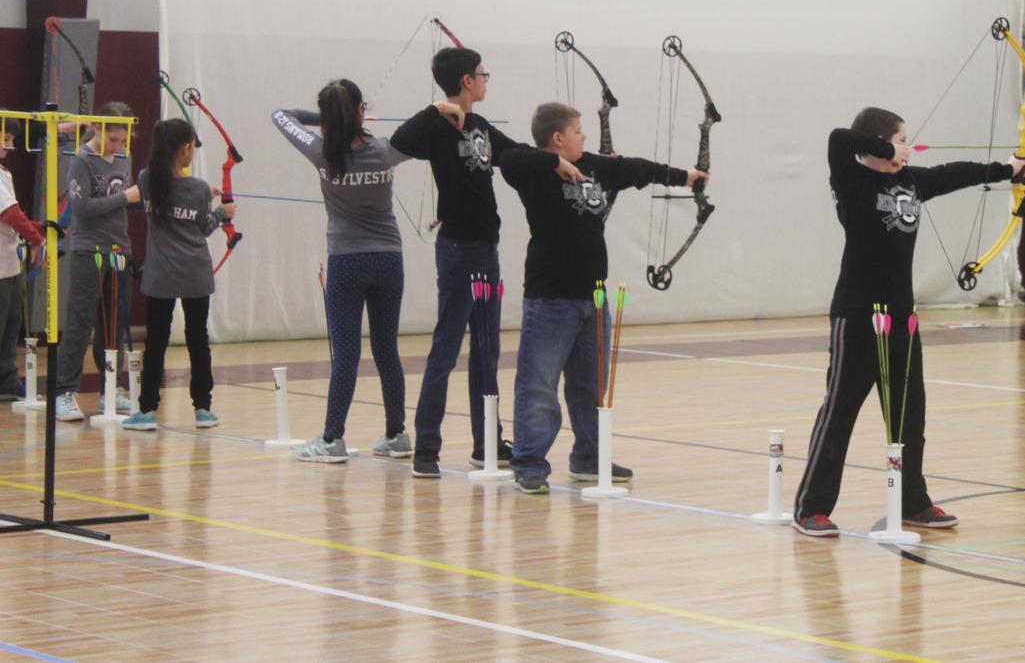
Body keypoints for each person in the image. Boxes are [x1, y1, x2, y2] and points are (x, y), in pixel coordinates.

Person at [791, 107, 1025, 537]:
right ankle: (812, 507)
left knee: (908, 417)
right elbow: (838, 139)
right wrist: (887, 148)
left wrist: (1005, 170)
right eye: (902, 139)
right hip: (858, 314)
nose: (908, 145)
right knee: (840, 411)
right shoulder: (852, 180)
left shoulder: (911, 181)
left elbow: (953, 173)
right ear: (879, 142)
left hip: (902, 316)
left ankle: (912, 502)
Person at [500, 102, 707, 495]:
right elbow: (510, 158)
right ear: (558, 138)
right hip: (550, 298)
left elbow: (633, 169)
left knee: (590, 386)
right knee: (539, 386)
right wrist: (553, 164)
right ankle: (528, 463)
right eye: (578, 131)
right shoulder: (531, 172)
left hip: (592, 296)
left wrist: (684, 177)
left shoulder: (592, 166)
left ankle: (589, 458)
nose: (585, 137)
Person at [276, 80, 464, 463]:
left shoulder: (321, 152)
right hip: (388, 260)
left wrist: (331, 119)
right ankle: (396, 434)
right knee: (386, 350)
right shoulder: (384, 151)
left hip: (347, 261)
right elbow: (422, 129)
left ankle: (332, 439)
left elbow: (281, 116)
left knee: (345, 355)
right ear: (361, 109)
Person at [390, 47, 518, 478]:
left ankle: (487, 444)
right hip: (458, 251)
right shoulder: (438, 127)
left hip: (487, 249)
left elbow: (515, 156)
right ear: (466, 81)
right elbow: (400, 142)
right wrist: (434, 109)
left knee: (487, 349)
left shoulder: (480, 126)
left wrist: (562, 161)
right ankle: (427, 446)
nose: (486, 80)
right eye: (483, 74)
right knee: (446, 346)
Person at [121, 118, 231, 430]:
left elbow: (174, 197)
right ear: (184, 149)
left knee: (156, 342)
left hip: (161, 276)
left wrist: (205, 195)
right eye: (192, 148)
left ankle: (147, 410)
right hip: (194, 273)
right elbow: (203, 227)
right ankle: (203, 409)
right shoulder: (197, 189)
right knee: (198, 340)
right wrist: (221, 213)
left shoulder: (146, 179)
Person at [54, 103, 136, 421]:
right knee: (80, 322)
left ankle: (110, 388)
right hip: (89, 249)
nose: (118, 146)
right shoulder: (81, 160)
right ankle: (64, 392)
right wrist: (125, 198)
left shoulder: (125, 157)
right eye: (113, 139)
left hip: (119, 249)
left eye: (122, 140)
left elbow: (126, 200)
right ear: (99, 129)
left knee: (111, 323)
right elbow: (83, 207)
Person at [0, 123, 46, 401]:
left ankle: (6, 378)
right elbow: (10, 213)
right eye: (4, 138)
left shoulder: (5, 173)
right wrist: (36, 237)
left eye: (11, 139)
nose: (8, 144)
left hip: (9, 262)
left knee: (11, 322)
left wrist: (38, 228)